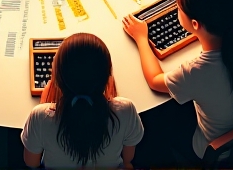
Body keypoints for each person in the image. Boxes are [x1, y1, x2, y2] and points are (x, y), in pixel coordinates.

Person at [123, 0, 233, 164]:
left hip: (222, 152)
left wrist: (141, 38)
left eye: (179, 8)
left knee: (158, 124)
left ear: (195, 24)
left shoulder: (194, 73)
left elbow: (155, 80)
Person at [22, 33, 143, 169]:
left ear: (57, 78)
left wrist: (44, 105)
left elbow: (32, 163)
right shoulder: (126, 110)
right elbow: (128, 158)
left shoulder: (40, 117)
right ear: (108, 76)